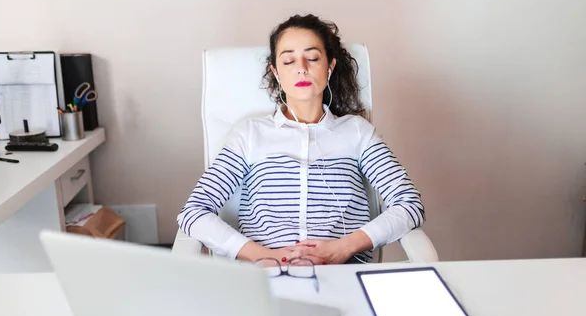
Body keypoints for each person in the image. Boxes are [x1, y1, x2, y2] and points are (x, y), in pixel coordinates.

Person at [177, 14, 424, 265]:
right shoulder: (250, 134)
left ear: (329, 67)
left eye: (313, 58)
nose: (301, 68)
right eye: (288, 61)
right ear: (276, 72)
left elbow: (409, 205)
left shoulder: (357, 132)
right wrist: (266, 256)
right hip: (266, 275)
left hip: (341, 272)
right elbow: (194, 212)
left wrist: (342, 248)